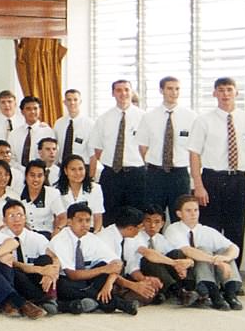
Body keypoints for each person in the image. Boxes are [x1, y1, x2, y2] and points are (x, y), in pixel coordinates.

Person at [188, 77, 245, 266]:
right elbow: (194, 154)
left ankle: (232, 279)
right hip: (211, 180)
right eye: (221, 90)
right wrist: (198, 185)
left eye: (229, 90)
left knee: (236, 230)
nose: (225, 94)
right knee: (209, 230)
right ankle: (210, 278)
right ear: (214, 93)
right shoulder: (204, 121)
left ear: (236, 92)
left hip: (238, 180)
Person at [48, 204, 139, 315]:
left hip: (87, 282)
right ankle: (116, 303)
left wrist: (108, 284)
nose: (85, 224)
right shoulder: (60, 240)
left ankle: (86, 303)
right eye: (80, 220)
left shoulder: (91, 238)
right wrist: (104, 269)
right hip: (67, 281)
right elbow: (72, 275)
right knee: (65, 286)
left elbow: (117, 263)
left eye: (87, 220)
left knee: (103, 267)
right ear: (69, 221)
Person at [159, 195, 244, 311]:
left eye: (196, 210)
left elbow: (234, 247)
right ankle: (214, 295)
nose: (193, 214)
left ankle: (230, 294)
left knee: (224, 251)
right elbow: (188, 250)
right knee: (202, 249)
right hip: (184, 274)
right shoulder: (173, 229)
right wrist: (217, 261)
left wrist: (224, 258)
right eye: (188, 210)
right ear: (179, 214)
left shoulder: (205, 230)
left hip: (205, 272)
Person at [88, 80, 147, 225]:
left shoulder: (144, 118)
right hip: (112, 175)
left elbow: (149, 147)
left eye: (126, 90)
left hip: (137, 175)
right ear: (113, 93)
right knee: (110, 218)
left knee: (136, 217)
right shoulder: (104, 119)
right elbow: (97, 148)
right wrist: (113, 164)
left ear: (132, 92)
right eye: (119, 90)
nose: (123, 93)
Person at [136, 77, 195, 218]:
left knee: (180, 218)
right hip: (155, 175)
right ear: (161, 90)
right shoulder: (149, 117)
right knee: (153, 218)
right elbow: (143, 147)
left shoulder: (191, 117)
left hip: (179, 175)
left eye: (177, 89)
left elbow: (195, 149)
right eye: (169, 88)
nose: (174, 92)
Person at [0, 200, 60, 315]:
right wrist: (40, 270)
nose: (16, 220)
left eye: (20, 215)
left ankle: (47, 299)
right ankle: (45, 300)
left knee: (46, 259)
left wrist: (51, 273)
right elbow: (13, 263)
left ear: (25, 217)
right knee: (13, 270)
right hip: (16, 280)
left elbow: (55, 258)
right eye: (11, 216)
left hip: (36, 280)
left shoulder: (36, 237)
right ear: (4, 220)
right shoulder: (0, 237)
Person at [55, 154, 105, 233]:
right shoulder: (56, 191)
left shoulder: (95, 188)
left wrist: (94, 235)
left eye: (81, 169)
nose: (77, 173)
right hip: (66, 231)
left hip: (89, 231)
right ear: (65, 171)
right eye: (73, 169)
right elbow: (57, 218)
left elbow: (98, 218)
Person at [20, 160, 65, 236]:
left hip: (46, 235)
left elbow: (62, 217)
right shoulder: (17, 193)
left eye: (40, 175)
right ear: (26, 176)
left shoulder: (53, 193)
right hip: (24, 234)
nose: (36, 179)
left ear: (44, 177)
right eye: (32, 175)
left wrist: (57, 230)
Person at [54, 89, 93, 164]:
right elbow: (54, 147)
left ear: (80, 101)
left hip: (82, 168)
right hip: (62, 166)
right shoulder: (58, 123)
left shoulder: (90, 124)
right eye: (69, 100)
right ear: (64, 102)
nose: (72, 103)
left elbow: (93, 153)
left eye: (75, 100)